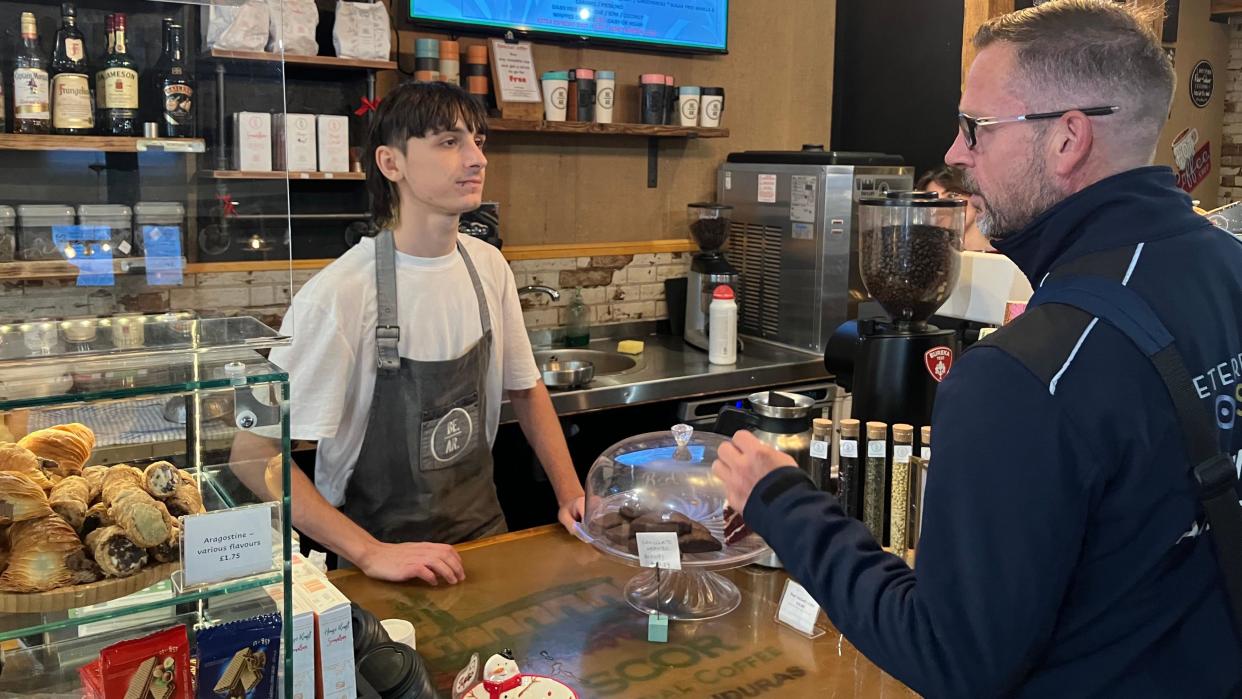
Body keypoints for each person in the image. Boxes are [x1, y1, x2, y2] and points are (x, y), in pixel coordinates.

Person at [712, 1, 1242, 696]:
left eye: (976, 128)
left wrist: (779, 498)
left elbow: (952, 657)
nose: (955, 154)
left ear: (1067, 139)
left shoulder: (1026, 374)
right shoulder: (1227, 267)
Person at [231, 81, 585, 585]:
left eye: (478, 141)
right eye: (448, 141)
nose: (476, 158)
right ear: (390, 163)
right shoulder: (334, 295)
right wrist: (371, 553)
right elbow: (251, 454)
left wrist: (571, 492)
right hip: (377, 563)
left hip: (484, 542)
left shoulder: (489, 268)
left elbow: (526, 390)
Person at [916, 165, 994, 252]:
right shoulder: (928, 259)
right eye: (932, 200)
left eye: (951, 196)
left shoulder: (1005, 257)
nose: (940, 207)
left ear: (977, 198)